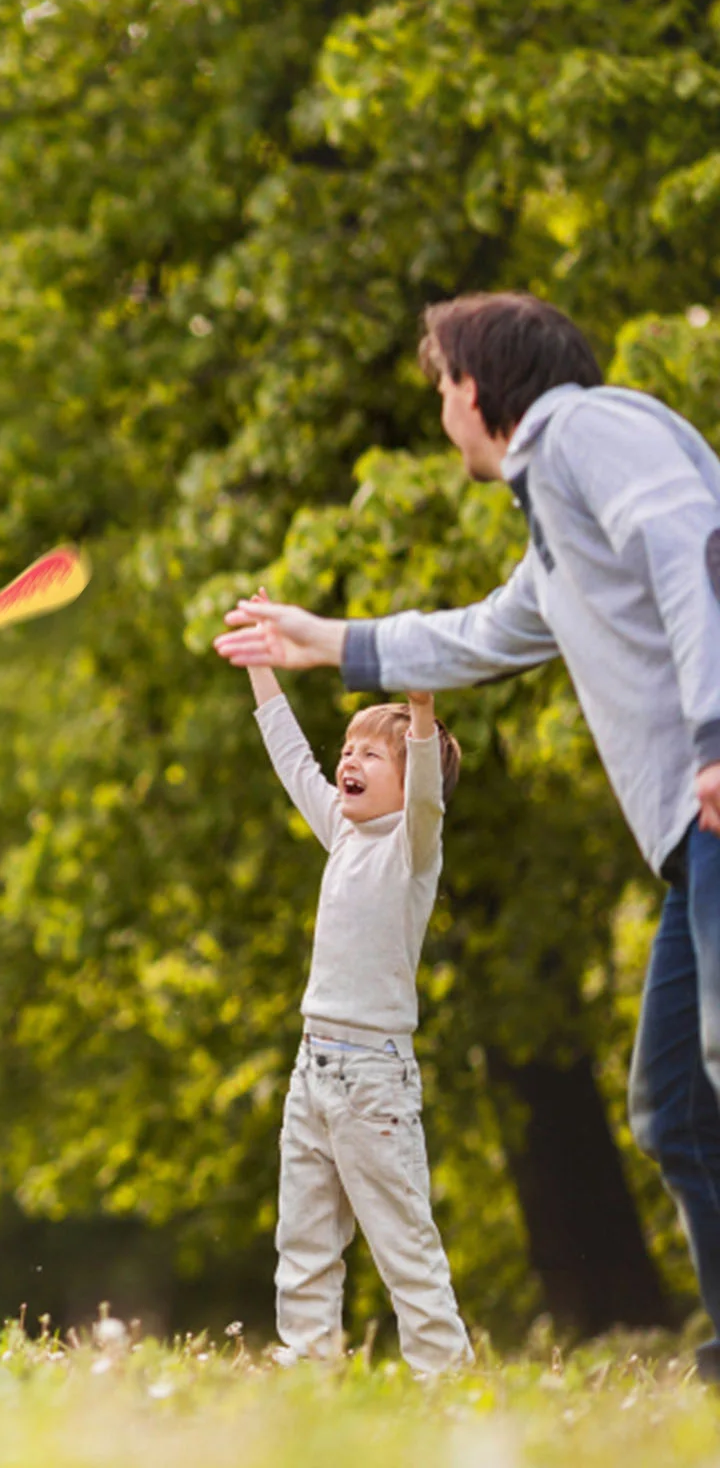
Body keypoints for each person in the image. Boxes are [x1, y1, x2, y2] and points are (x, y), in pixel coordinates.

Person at [215, 291, 720, 1375]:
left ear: (474, 387)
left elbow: (690, 541)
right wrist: (322, 641)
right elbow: (481, 634)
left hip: (714, 799)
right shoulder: (557, 529)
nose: (440, 410)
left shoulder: (585, 428)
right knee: (673, 1103)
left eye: (440, 387)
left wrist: (716, 732)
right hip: (689, 844)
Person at [234, 611, 470, 1373]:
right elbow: (290, 754)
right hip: (313, 1071)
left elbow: (428, 795)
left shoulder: (411, 849)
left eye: (374, 752)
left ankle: (447, 1379)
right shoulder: (341, 831)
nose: (351, 760)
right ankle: (308, 1366)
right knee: (302, 1237)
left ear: (408, 780)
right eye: (350, 749)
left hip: (374, 1079)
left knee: (403, 1242)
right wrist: (262, 667)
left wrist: (424, 713)